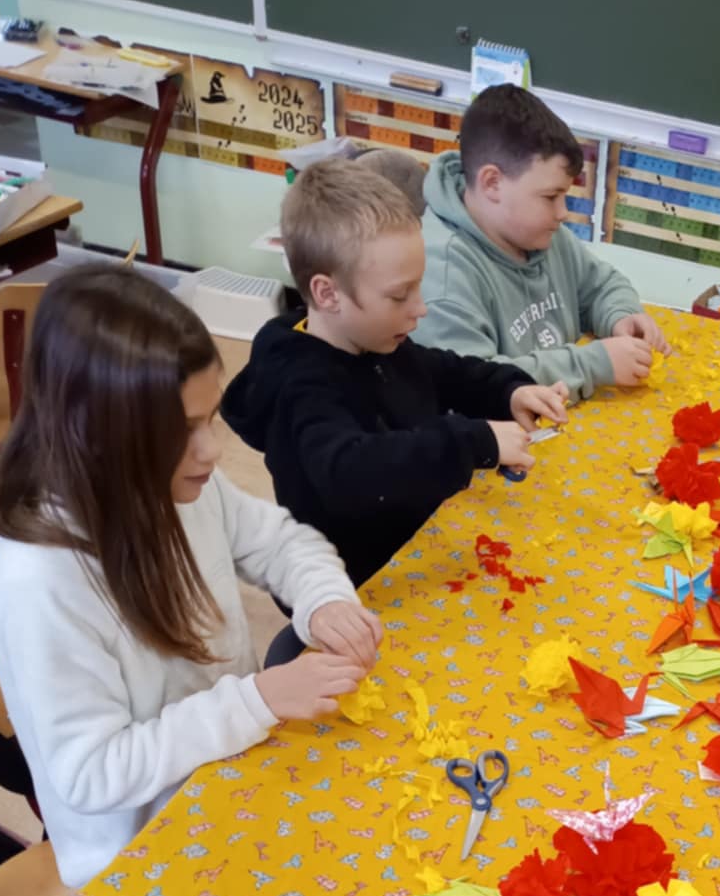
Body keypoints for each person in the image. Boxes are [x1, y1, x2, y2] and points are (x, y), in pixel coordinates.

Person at [0, 266, 379, 889]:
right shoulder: (40, 580)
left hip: (231, 777)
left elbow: (281, 542)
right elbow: (91, 773)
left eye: (209, 419)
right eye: (182, 431)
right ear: (99, 436)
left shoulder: (173, 482)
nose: (211, 451)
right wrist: (256, 700)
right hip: (142, 861)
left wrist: (324, 600)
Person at [222, 158, 566, 588]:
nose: (420, 308)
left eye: (418, 287)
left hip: (415, 542)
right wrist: (472, 442)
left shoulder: (374, 339)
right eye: (400, 295)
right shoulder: (302, 384)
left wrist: (508, 391)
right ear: (327, 294)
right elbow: (352, 471)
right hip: (355, 584)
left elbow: (442, 372)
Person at [415, 85, 665, 400]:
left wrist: (620, 315)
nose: (563, 213)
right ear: (492, 183)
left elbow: (601, 285)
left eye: (565, 196)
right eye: (550, 197)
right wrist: (591, 364)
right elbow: (476, 388)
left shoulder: (537, 233)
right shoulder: (442, 277)